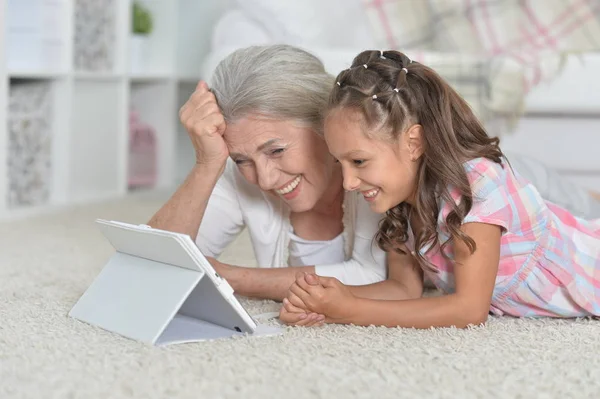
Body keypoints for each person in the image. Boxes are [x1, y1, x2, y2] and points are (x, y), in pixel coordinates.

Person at [280, 50, 600, 328]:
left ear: (413, 142)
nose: (348, 183)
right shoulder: (399, 198)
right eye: (340, 163)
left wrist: (351, 310)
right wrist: (330, 299)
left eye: (359, 161)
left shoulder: (476, 187)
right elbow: (403, 289)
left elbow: (468, 310)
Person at [148, 45, 400, 327]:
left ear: (325, 124)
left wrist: (231, 277)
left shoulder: (370, 169)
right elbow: (154, 268)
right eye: (241, 159)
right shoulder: (241, 174)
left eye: (277, 150)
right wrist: (206, 164)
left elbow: (376, 277)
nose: (265, 180)